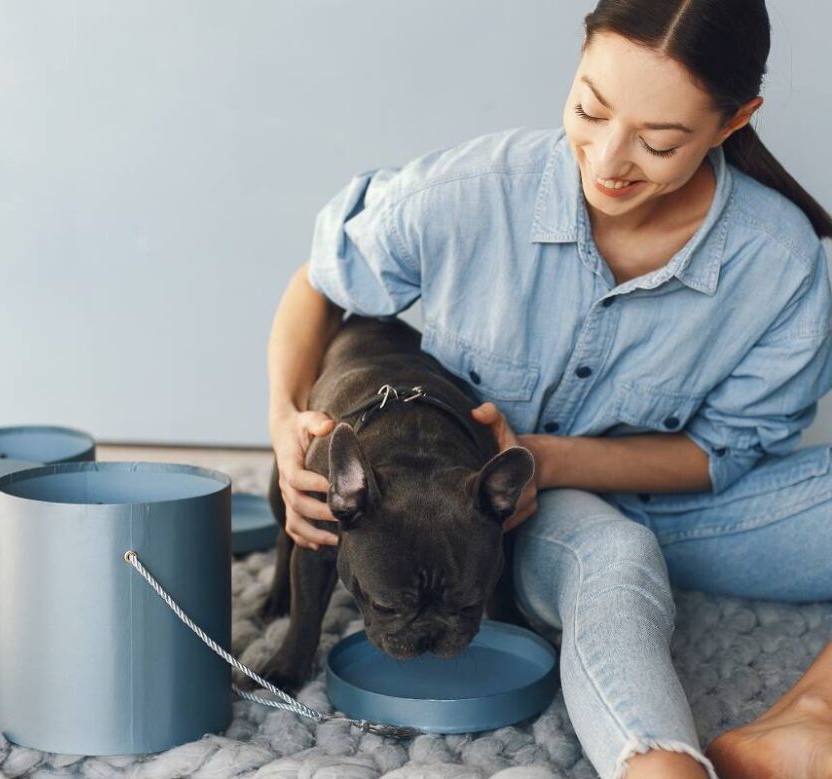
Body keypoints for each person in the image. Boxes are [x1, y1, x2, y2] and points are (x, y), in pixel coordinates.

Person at [267, 1, 832, 777]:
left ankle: (813, 712)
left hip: (691, 508)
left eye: (660, 142)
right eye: (590, 110)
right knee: (614, 557)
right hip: (499, 519)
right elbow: (319, 281)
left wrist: (544, 457)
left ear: (735, 121)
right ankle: (660, 765)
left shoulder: (780, 260)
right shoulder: (473, 189)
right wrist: (285, 420)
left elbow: (721, 452)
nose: (607, 160)